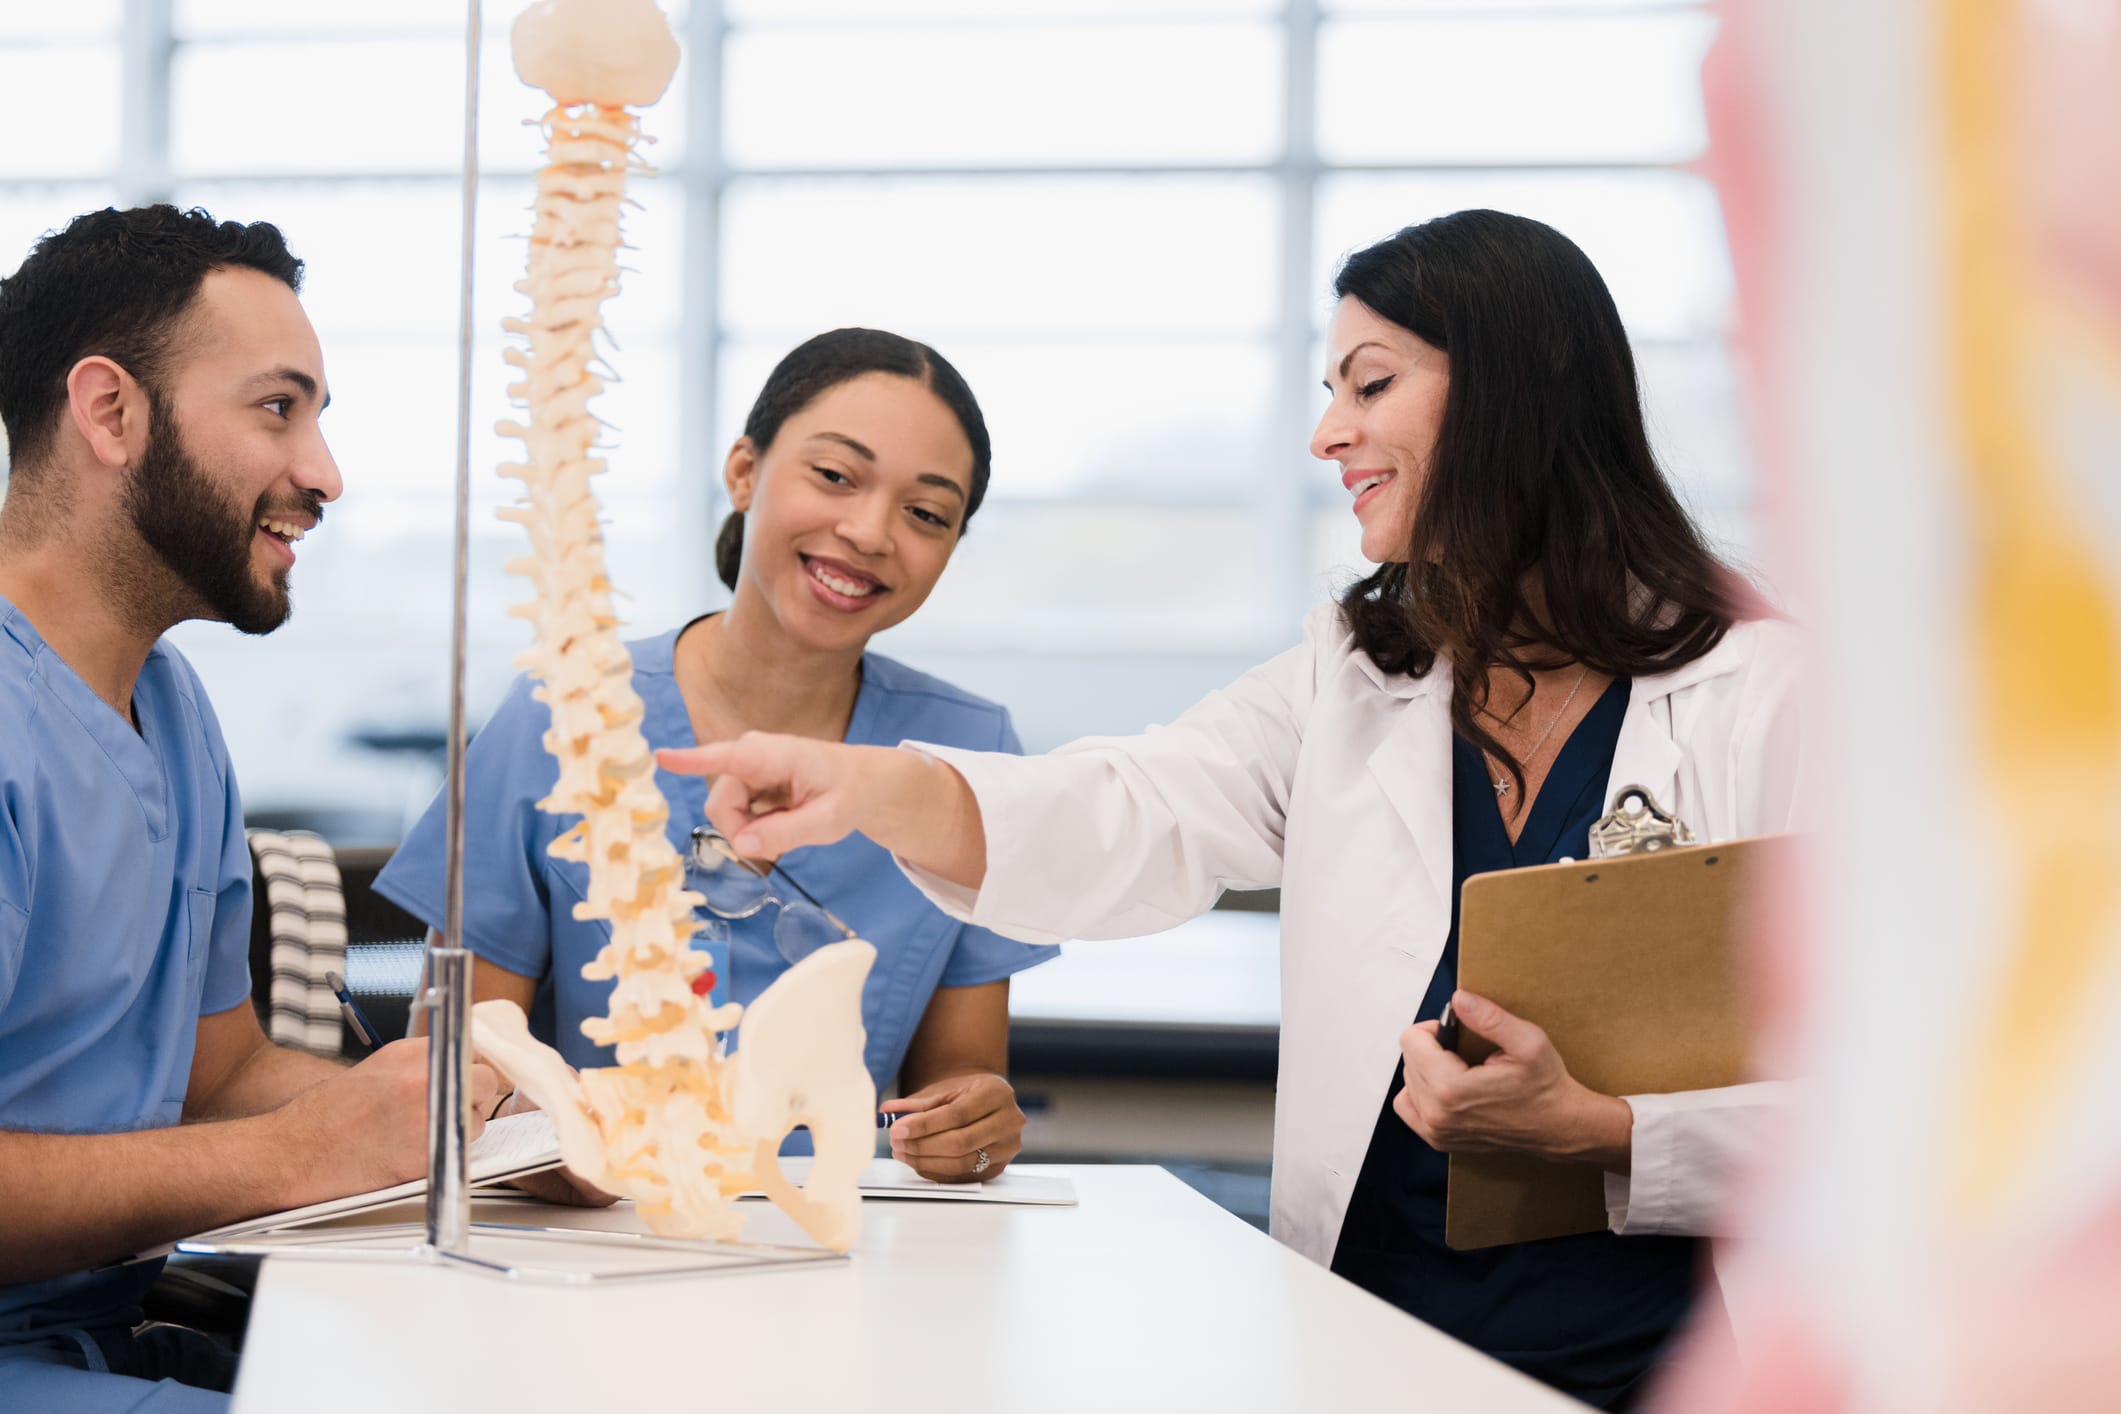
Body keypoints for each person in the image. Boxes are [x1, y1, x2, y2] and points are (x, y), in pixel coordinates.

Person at [657, 212, 1804, 1407]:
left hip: (1663, 1369)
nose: (1328, 434)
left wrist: (1609, 1128)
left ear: (1523, 387)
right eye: (1329, 390)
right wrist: (872, 785)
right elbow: (1140, 805)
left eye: (1372, 383)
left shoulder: (1762, 695)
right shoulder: (1359, 674)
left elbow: (1908, 1100)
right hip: (1371, 1350)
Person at [0, 206, 500, 1413]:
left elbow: (218, 1077)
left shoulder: (168, 710)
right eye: (279, 409)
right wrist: (294, 1156)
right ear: (110, 412)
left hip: (109, 1329)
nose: (322, 472)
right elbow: (252, 1141)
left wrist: (465, 1124)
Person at [375, 328, 1057, 1186]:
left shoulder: (970, 759)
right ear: (744, 471)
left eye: (925, 513)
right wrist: (561, 1151)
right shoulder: (562, 715)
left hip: (818, 1244)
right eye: (835, 476)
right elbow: (455, 1069)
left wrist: (971, 1126)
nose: (870, 530)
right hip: (579, 1235)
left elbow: (956, 1080)